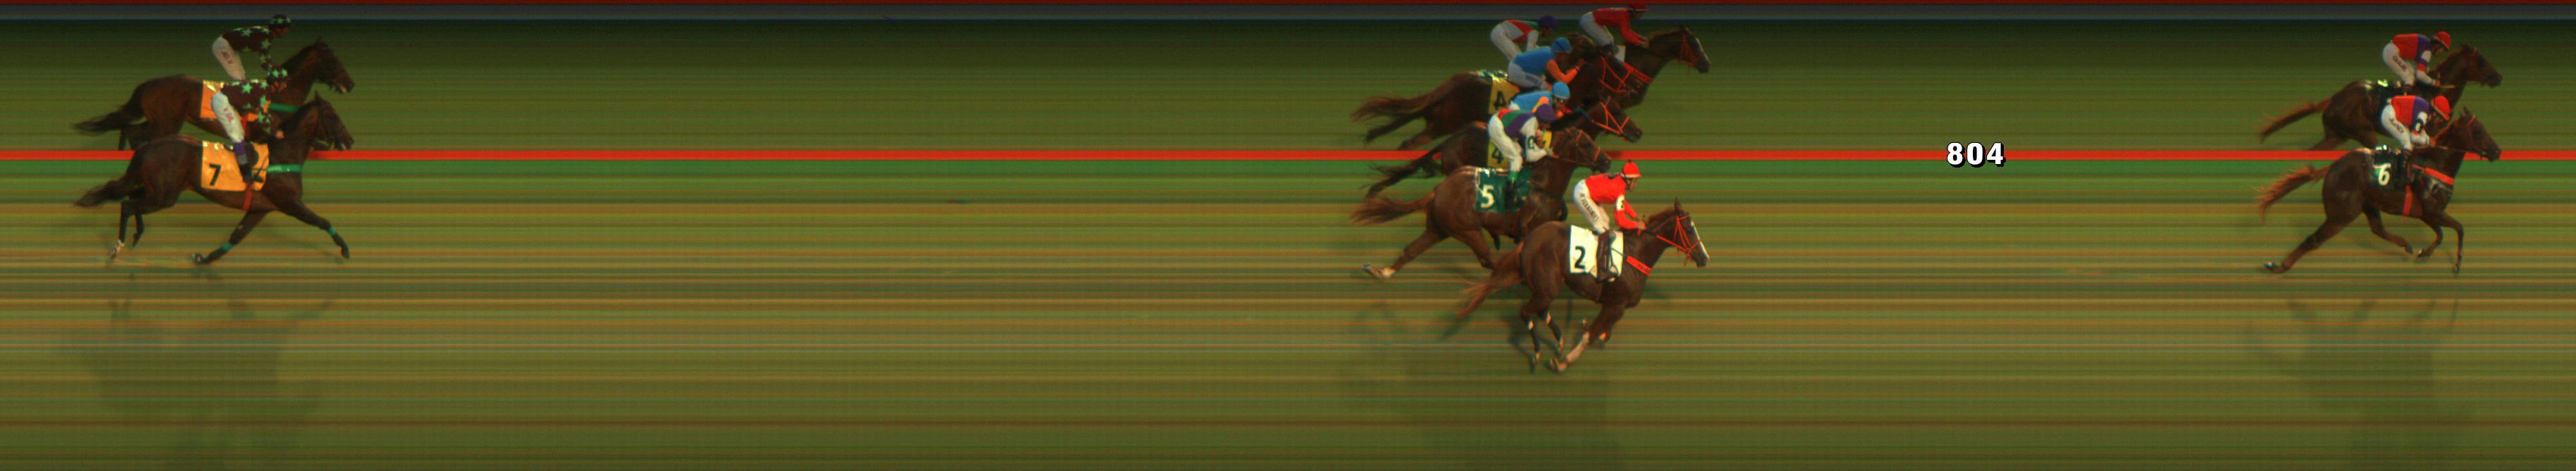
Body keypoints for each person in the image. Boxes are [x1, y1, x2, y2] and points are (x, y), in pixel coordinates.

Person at [1570, 161, 1643, 282]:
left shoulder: (1620, 181)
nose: (1636, 184)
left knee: (1605, 222)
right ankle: (1601, 270)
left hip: (1587, 190)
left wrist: (1635, 217)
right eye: (1635, 181)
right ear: (1628, 180)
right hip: (1583, 194)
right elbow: (1620, 221)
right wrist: (1636, 225)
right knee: (1602, 227)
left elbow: (1622, 203)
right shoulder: (1619, 190)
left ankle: (1594, 249)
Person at [215, 15, 293, 83]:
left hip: (226, 45)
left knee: (240, 76)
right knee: (238, 77)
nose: (287, 31)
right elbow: (265, 63)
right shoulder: (266, 36)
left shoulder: (266, 33)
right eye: (287, 28)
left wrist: (273, 68)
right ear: (278, 28)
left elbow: (265, 61)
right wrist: (279, 73)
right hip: (224, 46)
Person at [2382, 32, 2452, 94]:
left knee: (2412, 73)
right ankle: (2403, 99)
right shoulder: (2427, 52)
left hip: (2393, 50)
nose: (2441, 52)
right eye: (2442, 49)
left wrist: (2427, 71)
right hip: (2391, 53)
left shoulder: (2426, 44)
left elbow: (2418, 66)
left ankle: (2398, 90)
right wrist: (2433, 83)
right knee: (2409, 78)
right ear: (2437, 45)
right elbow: (2420, 75)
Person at [2379, 95, 2450, 153]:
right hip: (2390, 116)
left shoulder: (2425, 110)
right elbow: (2414, 137)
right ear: (2435, 114)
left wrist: (2429, 139)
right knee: (2408, 144)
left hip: (2391, 112)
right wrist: (2427, 142)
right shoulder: (2423, 116)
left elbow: (2420, 130)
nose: (2440, 121)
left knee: (2409, 144)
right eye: (2440, 118)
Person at [1579, 4, 1648, 61]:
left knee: (1610, 40)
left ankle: (1602, 59)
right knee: (1606, 42)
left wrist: (1640, 38)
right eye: (1641, 13)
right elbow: (1625, 35)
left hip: (1592, 19)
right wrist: (1639, 43)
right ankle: (1592, 60)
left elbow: (1628, 31)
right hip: (1589, 21)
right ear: (1634, 12)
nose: (1641, 15)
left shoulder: (1626, 14)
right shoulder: (1623, 16)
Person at [1505, 39, 1577, 91]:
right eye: (1566, 55)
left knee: (1543, 80)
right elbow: (1563, 81)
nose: (1566, 58)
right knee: (1545, 86)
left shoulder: (1547, 48)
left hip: (1515, 65)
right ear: (1560, 54)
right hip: (1517, 73)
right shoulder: (1551, 62)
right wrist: (1577, 69)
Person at [1489, 15, 1558, 60]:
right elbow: (1530, 51)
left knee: (1516, 56)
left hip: (1501, 32)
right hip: (1501, 33)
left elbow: (1532, 47)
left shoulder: (1535, 30)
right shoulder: (1534, 32)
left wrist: (1546, 50)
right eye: (1551, 30)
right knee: (1517, 57)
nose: (1552, 33)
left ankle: (1514, 74)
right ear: (1544, 28)